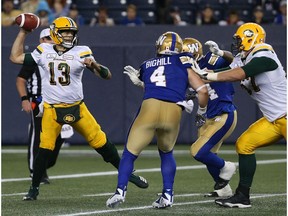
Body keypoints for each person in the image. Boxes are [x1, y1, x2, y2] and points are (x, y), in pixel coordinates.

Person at [10, 16, 148, 201]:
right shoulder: (43, 50)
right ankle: (34, 188)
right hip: (51, 109)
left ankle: (128, 173)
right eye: (65, 32)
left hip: (77, 108)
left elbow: (106, 75)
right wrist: (23, 32)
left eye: (71, 32)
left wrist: (95, 65)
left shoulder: (82, 51)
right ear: (55, 33)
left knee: (101, 142)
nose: (68, 36)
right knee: (44, 149)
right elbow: (15, 57)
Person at [106, 31, 209, 208]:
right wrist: (201, 111)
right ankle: (167, 196)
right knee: (167, 153)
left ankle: (120, 192)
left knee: (129, 154)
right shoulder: (184, 60)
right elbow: (202, 90)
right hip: (173, 110)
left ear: (160, 45)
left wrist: (140, 83)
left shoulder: (147, 64)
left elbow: (156, 85)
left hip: (150, 108)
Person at [192, 22, 287, 208]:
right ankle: (243, 196)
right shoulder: (246, 56)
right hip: (274, 120)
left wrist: (208, 75)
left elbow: (239, 74)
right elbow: (228, 69)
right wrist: (206, 72)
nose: (237, 42)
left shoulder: (264, 55)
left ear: (251, 37)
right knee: (244, 145)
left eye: (239, 38)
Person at [182, 38, 237, 198]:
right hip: (208, 117)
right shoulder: (187, 70)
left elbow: (235, 63)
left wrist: (221, 53)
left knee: (198, 151)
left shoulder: (210, 60)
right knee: (208, 154)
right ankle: (224, 190)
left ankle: (228, 166)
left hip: (224, 113)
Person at [16, 28, 70, 184]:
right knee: (37, 136)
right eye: (47, 38)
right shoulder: (36, 57)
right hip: (38, 101)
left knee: (59, 137)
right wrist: (24, 99)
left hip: (58, 102)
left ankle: (44, 166)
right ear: (41, 41)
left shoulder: (61, 57)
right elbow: (20, 79)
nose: (51, 40)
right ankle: (35, 172)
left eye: (53, 37)